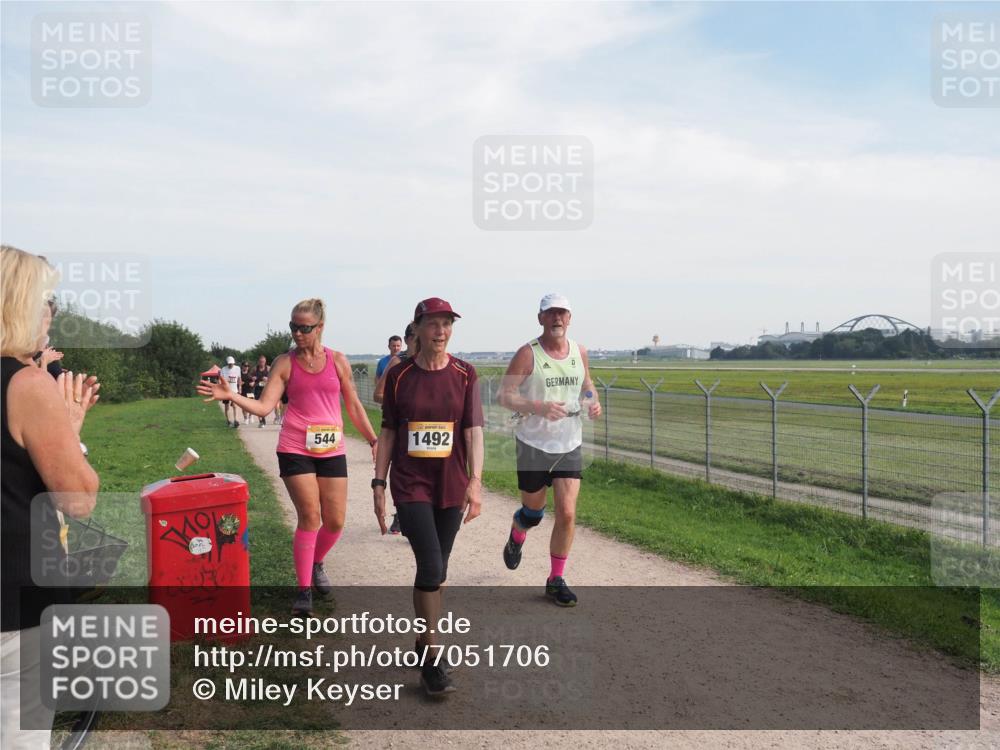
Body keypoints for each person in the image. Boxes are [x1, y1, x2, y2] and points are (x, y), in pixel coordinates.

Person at [199, 299, 378, 616]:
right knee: (310, 517)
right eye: (293, 326)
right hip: (295, 447)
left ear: (320, 327)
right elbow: (265, 407)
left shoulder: (338, 361)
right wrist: (232, 395)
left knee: (335, 521)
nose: (297, 333)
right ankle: (303, 589)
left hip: (331, 448)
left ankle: (316, 562)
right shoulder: (285, 363)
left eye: (304, 327)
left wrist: (372, 439)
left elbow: (352, 406)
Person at [1, 246, 100, 749]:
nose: (52, 313)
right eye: (47, 302)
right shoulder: (28, 384)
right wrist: (71, 431)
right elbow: (78, 498)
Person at [372, 297, 483, 697]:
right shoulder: (400, 376)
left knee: (440, 570)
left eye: (447, 323)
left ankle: (422, 640)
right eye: (433, 324)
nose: (441, 331)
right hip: (410, 482)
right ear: (416, 329)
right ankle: (434, 659)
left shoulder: (466, 374)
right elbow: (387, 433)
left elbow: (473, 431)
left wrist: (476, 481)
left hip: (451, 483)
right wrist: (379, 484)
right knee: (431, 566)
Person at [496, 293, 601, 607]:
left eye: (562, 313)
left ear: (570, 319)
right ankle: (518, 532)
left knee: (567, 512)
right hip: (533, 444)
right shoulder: (528, 354)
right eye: (550, 313)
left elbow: (588, 384)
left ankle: (556, 579)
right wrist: (538, 406)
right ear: (540, 318)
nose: (557, 319)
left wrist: (594, 401)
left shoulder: (579, 352)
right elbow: (505, 396)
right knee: (534, 513)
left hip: (569, 443)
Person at [374, 323, 418, 535]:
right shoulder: (396, 362)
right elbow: (378, 395)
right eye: (417, 338)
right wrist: (402, 403)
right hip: (401, 427)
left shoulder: (435, 363)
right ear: (409, 339)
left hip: (426, 430)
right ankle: (401, 514)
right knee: (404, 474)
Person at [219, 355, 242, 428]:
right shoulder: (223, 369)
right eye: (229, 363)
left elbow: (239, 378)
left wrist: (240, 387)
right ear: (227, 363)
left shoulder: (237, 368)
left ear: (233, 363)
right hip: (226, 391)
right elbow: (220, 379)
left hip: (234, 390)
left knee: (235, 405)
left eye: (232, 363)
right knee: (227, 407)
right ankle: (228, 420)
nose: (230, 365)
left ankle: (236, 420)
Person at [252, 355, 270, 427]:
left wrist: (268, 378)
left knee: (265, 405)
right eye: (260, 362)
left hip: (265, 389)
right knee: (257, 405)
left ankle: (263, 417)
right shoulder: (255, 369)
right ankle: (261, 421)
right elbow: (249, 377)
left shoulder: (268, 368)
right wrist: (253, 378)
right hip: (257, 389)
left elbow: (274, 377)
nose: (261, 363)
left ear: (265, 362)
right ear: (258, 362)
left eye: (263, 362)